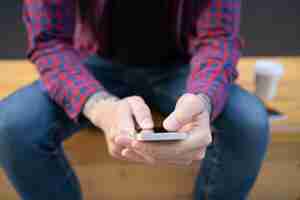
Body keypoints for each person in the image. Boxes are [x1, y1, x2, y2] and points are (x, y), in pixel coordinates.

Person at [0, 0, 269, 199]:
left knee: (249, 123)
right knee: (12, 125)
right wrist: (99, 106)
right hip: (92, 64)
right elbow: (49, 42)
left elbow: (219, 38)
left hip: (181, 66)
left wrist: (204, 98)